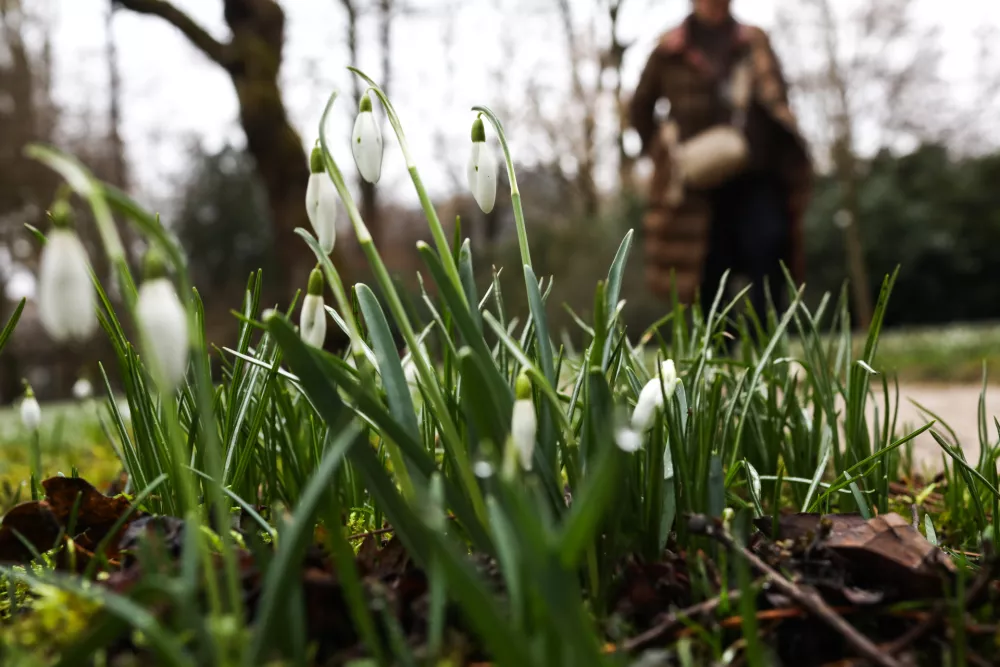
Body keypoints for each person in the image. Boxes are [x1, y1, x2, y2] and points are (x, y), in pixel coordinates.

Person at [629, 0, 813, 329]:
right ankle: (716, 356)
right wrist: (663, 150)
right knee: (707, 270)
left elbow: (778, 97)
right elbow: (640, 108)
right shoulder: (669, 49)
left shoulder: (752, 40)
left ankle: (766, 348)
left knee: (769, 249)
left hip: (757, 173)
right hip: (700, 187)